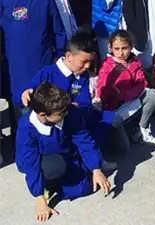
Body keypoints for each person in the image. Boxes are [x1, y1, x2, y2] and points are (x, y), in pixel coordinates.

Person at [20, 32, 116, 172]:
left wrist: (79, 106)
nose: (88, 66)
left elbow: (85, 101)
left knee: (109, 119)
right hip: (57, 122)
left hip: (75, 116)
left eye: (91, 61)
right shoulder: (47, 73)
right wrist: (24, 94)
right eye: (84, 61)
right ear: (69, 56)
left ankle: (95, 160)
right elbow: (24, 96)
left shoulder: (82, 75)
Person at [16, 82, 110, 222]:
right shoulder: (27, 127)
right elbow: (30, 161)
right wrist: (39, 197)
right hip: (44, 159)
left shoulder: (67, 111)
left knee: (85, 187)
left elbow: (83, 139)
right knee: (54, 167)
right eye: (61, 113)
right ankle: (47, 184)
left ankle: (85, 169)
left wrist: (96, 168)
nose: (66, 114)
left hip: (65, 151)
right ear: (42, 114)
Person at [1, 0, 66, 109]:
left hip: (41, 61)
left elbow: (58, 29)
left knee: (43, 104)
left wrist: (60, 54)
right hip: (13, 64)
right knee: (19, 105)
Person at [96, 30, 155, 147]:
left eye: (124, 48)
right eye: (117, 49)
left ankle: (142, 129)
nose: (121, 53)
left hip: (130, 101)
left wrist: (125, 95)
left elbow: (141, 83)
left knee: (152, 94)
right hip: (114, 109)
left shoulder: (135, 61)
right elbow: (102, 93)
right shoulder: (106, 66)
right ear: (111, 48)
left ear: (131, 47)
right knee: (123, 147)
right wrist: (113, 75)